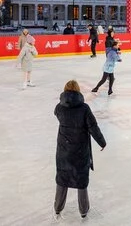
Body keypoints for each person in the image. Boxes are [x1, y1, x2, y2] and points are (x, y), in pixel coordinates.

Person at [53, 80, 106, 219]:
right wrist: (102, 142)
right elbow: (93, 127)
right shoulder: (84, 109)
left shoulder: (59, 107)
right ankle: (83, 210)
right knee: (81, 181)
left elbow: (56, 114)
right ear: (78, 91)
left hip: (63, 151)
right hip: (80, 152)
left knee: (62, 179)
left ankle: (58, 208)